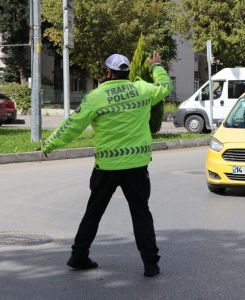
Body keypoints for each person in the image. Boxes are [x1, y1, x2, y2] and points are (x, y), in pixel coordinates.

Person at [39, 51, 173, 277]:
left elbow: (72, 125)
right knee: (141, 213)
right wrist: (156, 66)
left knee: (93, 212)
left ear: (108, 72)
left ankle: (79, 255)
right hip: (136, 166)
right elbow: (165, 85)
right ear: (127, 72)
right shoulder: (142, 90)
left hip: (107, 168)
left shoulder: (96, 97)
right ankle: (151, 264)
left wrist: (48, 145)